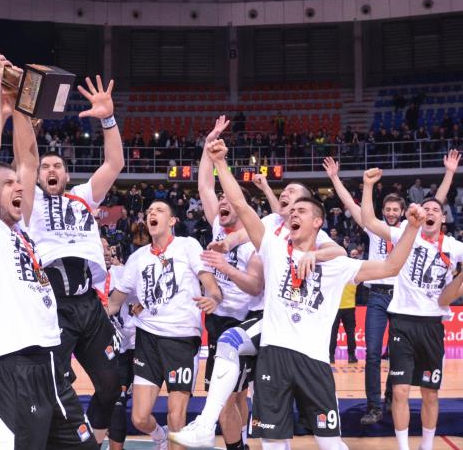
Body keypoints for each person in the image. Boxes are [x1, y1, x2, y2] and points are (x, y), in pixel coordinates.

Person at [176, 139, 423, 450]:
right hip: (275, 356)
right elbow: (240, 204)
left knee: (331, 444)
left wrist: (412, 229)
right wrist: (221, 163)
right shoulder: (274, 246)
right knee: (272, 441)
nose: (292, 213)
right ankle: (205, 425)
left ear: (318, 222)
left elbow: (391, 266)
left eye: (301, 210)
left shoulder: (335, 262)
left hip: (314, 362)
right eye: (290, 210)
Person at [0, 50, 97, 449]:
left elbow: (28, 160)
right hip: (9, 366)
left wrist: (20, 103)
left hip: (51, 363)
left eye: (18, 183)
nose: (19, 185)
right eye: (7, 184)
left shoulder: (23, 228)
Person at [323, 150, 459, 425]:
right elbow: (352, 204)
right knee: (373, 353)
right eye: (388, 209)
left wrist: (449, 173)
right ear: (383, 211)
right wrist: (336, 179)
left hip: (400, 297)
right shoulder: (376, 228)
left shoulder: (412, 229)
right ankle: (374, 406)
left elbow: (435, 205)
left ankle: (390, 397)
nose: (392, 213)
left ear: (404, 212)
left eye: (396, 210)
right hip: (376, 296)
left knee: (395, 355)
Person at [26, 74, 124, 442]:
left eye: (57, 166)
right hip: (53, 306)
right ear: (37, 176)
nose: (51, 170)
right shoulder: (30, 203)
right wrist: (27, 131)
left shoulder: (83, 197)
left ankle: (94, 442)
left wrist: (107, 118)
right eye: (45, 167)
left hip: (89, 305)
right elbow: (24, 162)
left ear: (67, 174)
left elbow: (114, 163)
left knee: (112, 385)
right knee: (54, 385)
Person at [108, 199, 223, 450]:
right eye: (149, 211)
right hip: (147, 337)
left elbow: (210, 284)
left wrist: (214, 298)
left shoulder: (187, 245)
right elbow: (116, 300)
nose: (152, 213)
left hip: (181, 338)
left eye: (159, 210)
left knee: (176, 416)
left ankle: (171, 440)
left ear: (171, 220)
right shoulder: (137, 257)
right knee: (139, 418)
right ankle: (160, 437)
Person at [361, 168, 463, 450]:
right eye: (426, 208)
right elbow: (369, 220)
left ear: (443, 218)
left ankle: (426, 446)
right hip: (402, 323)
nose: (430, 212)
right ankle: (404, 447)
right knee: (400, 391)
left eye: (436, 210)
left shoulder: (453, 247)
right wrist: (368, 186)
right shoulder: (406, 235)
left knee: (430, 394)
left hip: (432, 325)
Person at [195, 115, 265, 450]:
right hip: (218, 318)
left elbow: (255, 287)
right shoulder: (217, 227)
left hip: (243, 322)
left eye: (228, 200)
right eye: (220, 199)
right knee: (232, 396)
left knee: (232, 397)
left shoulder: (254, 244)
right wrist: (209, 144)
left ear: (242, 208)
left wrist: (226, 267)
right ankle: (241, 444)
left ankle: (238, 445)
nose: (221, 201)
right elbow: (204, 186)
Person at [99, 237, 135, 450]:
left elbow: (144, 294)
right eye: (101, 248)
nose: (106, 252)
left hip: (129, 346)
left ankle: (159, 434)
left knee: (120, 402)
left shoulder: (122, 273)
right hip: (102, 349)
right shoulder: (85, 277)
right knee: (108, 401)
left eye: (108, 248)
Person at [328, 249, 360, 364]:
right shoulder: (354, 275)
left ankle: (331, 356)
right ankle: (351, 356)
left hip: (336, 307)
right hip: (349, 307)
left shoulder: (335, 274)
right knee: (350, 332)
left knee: (333, 332)